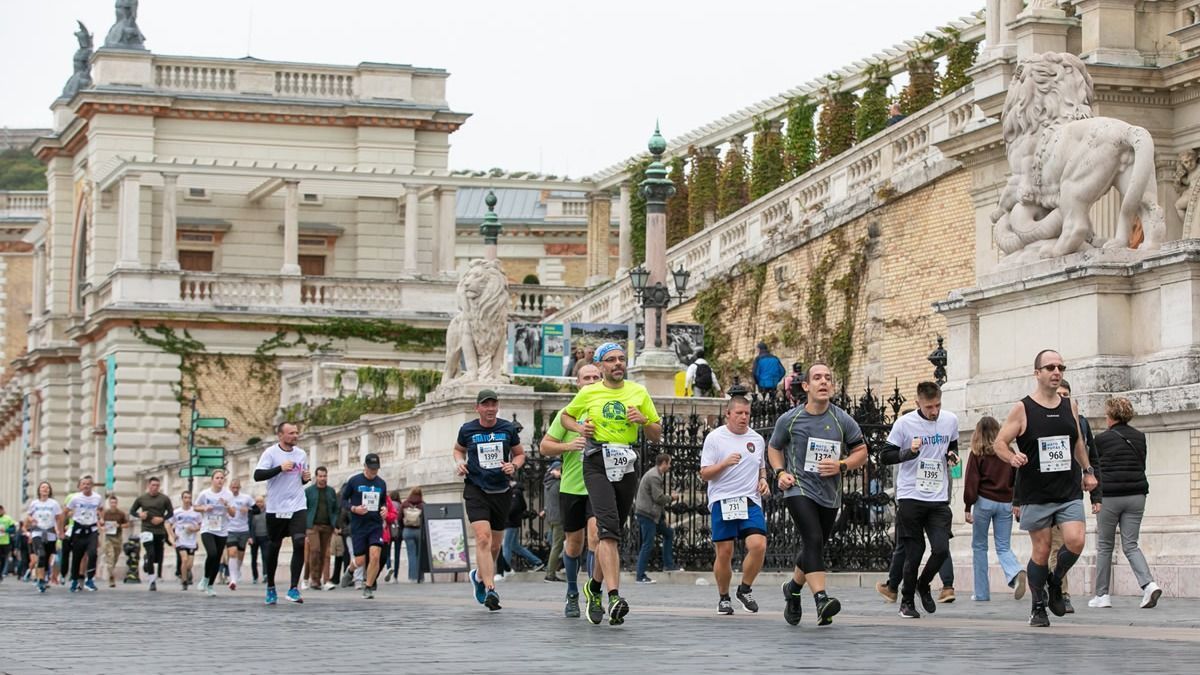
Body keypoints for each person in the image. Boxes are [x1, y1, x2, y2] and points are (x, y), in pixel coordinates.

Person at [992, 349, 1098, 627]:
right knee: (1042, 549)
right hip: (1036, 491)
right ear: (1037, 373)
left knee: (1076, 540)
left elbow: (1077, 442)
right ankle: (1038, 606)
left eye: (1061, 367)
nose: (1056, 372)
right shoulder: (1023, 408)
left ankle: (1054, 580)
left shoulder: (1069, 405)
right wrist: (1012, 457)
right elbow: (999, 443)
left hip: (1067, 490)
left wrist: (1088, 471)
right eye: (1050, 367)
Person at [560, 342, 663, 625]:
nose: (618, 363)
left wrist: (643, 421)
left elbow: (656, 434)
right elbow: (566, 416)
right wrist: (581, 428)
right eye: (612, 360)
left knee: (613, 530)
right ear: (601, 365)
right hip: (596, 461)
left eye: (621, 359)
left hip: (626, 461)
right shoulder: (589, 392)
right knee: (607, 530)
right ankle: (614, 595)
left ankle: (593, 587)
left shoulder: (638, 392)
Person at [768, 362, 868, 627]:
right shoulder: (790, 419)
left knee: (815, 546)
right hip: (798, 488)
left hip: (829, 493)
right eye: (817, 378)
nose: (823, 382)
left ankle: (793, 589)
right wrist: (780, 473)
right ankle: (821, 598)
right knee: (812, 538)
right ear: (806, 386)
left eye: (828, 378)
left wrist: (842, 464)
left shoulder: (841, 419)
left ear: (832, 386)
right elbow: (774, 448)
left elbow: (862, 452)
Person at [878, 382, 959, 619]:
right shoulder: (904, 424)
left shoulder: (950, 420)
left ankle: (924, 584)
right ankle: (907, 601)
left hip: (938, 496)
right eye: (929, 407)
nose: (934, 411)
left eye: (937, 405)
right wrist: (909, 452)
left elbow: (951, 443)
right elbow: (884, 455)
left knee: (941, 549)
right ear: (918, 404)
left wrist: (952, 455)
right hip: (911, 495)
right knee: (915, 551)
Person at [539, 363, 604, 618]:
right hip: (572, 488)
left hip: (598, 487)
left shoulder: (608, 411)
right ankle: (572, 591)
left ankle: (593, 592)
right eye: (585, 377)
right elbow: (545, 446)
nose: (590, 381)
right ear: (577, 383)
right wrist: (569, 447)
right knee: (573, 545)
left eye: (595, 377)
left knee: (596, 537)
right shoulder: (567, 414)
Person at [455, 389, 526, 611]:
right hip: (476, 489)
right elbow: (458, 450)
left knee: (495, 545)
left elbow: (520, 454)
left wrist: (513, 465)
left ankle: (478, 575)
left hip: (501, 491)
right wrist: (459, 462)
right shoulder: (467, 429)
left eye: (493, 405)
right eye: (486, 405)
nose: (490, 409)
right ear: (478, 408)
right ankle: (490, 589)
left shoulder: (507, 429)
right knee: (483, 539)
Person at [1089, 397, 1162, 609]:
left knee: (1105, 546)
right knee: (1131, 544)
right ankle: (1149, 584)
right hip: (1137, 496)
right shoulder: (1140, 437)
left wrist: (1095, 497)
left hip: (1110, 496)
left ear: (1111, 416)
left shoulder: (1101, 439)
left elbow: (1096, 469)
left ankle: (1102, 595)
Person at [700, 395, 770, 615]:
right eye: (739, 413)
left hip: (749, 500)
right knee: (725, 551)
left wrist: (763, 480)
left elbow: (761, 467)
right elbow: (704, 474)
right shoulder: (715, 438)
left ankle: (745, 588)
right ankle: (723, 597)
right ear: (728, 414)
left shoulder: (757, 439)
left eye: (747, 413)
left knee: (758, 545)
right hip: (723, 499)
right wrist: (724, 463)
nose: (743, 417)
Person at [1042, 378, 1102, 613]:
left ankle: (1053, 583)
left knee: (1073, 543)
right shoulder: (1040, 419)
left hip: (1072, 492)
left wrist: (1095, 495)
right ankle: (1061, 592)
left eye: (1066, 395)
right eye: (1059, 394)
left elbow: (1091, 457)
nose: (1062, 398)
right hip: (1046, 493)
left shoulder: (1082, 424)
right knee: (1052, 546)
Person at [962, 416, 1026, 601]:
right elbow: (1017, 479)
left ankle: (981, 593)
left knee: (980, 547)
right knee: (1003, 546)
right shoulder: (1009, 452)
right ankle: (1015, 572)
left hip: (984, 502)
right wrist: (1017, 502)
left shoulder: (977, 452)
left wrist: (967, 506)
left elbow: (971, 482)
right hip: (1006, 502)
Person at [254, 421, 312, 605]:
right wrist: (279, 468)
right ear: (281, 435)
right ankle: (270, 586)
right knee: (274, 546)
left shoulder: (301, 454)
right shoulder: (271, 453)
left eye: (296, 433)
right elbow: (258, 475)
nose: (295, 436)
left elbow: (301, 480)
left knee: (300, 541)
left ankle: (293, 588)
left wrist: (305, 479)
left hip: (297, 505)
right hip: (276, 507)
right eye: (291, 433)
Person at [339, 453, 388, 599]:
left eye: (376, 469)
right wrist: (354, 508)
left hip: (375, 525)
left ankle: (368, 587)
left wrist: (384, 509)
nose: (374, 472)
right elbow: (342, 501)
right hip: (359, 525)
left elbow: (383, 502)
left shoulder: (381, 483)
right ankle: (350, 569)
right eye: (371, 468)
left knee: (375, 556)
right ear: (365, 466)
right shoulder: (354, 481)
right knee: (360, 560)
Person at [635, 454, 681, 583]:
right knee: (647, 544)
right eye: (669, 463)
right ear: (664, 463)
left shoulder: (655, 474)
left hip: (652, 514)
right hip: (647, 514)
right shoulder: (654, 476)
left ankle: (668, 565)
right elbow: (658, 498)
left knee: (668, 533)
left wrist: (663, 516)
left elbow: (657, 500)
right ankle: (640, 575)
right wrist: (672, 498)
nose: (670, 466)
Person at [130, 476, 174, 592]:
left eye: (157, 486)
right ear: (148, 486)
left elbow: (171, 513)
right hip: (146, 529)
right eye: (153, 485)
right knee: (151, 553)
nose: (155, 488)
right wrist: (139, 515)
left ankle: (147, 560)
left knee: (157, 558)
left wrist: (162, 519)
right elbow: (132, 511)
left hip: (159, 530)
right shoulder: (142, 498)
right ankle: (152, 581)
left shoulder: (164, 499)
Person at [64, 475, 104, 592]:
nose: (86, 486)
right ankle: (75, 580)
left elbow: (101, 509)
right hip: (78, 529)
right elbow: (65, 511)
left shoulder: (97, 497)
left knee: (93, 553)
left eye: (88, 484)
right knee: (77, 556)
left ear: (92, 485)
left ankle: (90, 579)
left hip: (92, 529)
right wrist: (65, 525)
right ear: (80, 486)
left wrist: (101, 518)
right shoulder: (76, 498)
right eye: (84, 484)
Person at [304, 466, 340, 591]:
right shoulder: (309, 491)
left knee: (324, 553)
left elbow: (335, 509)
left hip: (327, 526)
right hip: (312, 525)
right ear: (316, 477)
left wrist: (335, 523)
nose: (323, 478)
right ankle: (314, 579)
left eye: (325, 476)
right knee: (315, 550)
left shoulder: (331, 491)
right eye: (320, 476)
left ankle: (319, 580)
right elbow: (304, 508)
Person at [25, 482, 64, 593]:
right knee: (41, 554)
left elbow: (59, 518)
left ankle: (44, 576)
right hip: (37, 532)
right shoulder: (34, 503)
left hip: (50, 533)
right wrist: (31, 519)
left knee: (47, 557)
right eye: (43, 487)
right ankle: (40, 580)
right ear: (39, 490)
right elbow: (28, 515)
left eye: (47, 488)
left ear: (50, 490)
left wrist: (60, 531)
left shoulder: (54, 504)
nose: (45, 489)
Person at [502, 482, 544, 572]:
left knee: (506, 546)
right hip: (513, 523)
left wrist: (505, 515)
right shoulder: (516, 492)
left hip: (510, 523)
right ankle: (537, 562)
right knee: (515, 546)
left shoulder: (515, 492)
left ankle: (505, 569)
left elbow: (514, 508)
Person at [223, 479, 254, 591]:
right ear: (230, 487)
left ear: (240, 488)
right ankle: (233, 580)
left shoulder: (246, 498)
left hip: (243, 530)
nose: (235, 490)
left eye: (237, 488)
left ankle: (236, 573)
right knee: (232, 552)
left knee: (240, 556)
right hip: (230, 529)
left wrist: (248, 510)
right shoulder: (226, 498)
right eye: (233, 487)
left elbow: (257, 509)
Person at [169, 491, 201, 590]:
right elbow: (168, 524)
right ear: (182, 499)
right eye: (185, 498)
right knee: (184, 559)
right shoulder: (176, 512)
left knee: (189, 565)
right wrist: (172, 535)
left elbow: (201, 524)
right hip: (181, 539)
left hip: (191, 540)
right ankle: (184, 581)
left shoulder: (195, 512)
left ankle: (184, 573)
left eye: (189, 498)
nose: (187, 500)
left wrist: (194, 529)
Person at [541, 461, 565, 583]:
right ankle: (550, 574)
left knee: (555, 545)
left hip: (551, 517)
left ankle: (553, 570)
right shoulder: (558, 484)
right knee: (557, 546)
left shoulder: (548, 483)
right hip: (559, 517)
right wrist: (562, 476)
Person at [99, 495, 128, 588]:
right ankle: (111, 576)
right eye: (111, 503)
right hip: (108, 537)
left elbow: (127, 524)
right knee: (110, 556)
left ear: (117, 503)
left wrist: (119, 525)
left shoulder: (121, 513)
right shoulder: (105, 513)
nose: (113, 504)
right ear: (109, 503)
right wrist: (102, 527)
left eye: (115, 502)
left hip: (118, 537)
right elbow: (100, 523)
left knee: (115, 556)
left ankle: (111, 570)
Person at [399, 487, 424, 583]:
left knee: (411, 555)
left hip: (407, 531)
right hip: (419, 531)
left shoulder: (405, 504)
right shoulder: (422, 505)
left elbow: (399, 517)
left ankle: (412, 577)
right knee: (419, 555)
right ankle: (420, 577)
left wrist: (403, 528)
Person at [248, 495, 267, 584]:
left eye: (261, 501)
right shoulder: (252, 511)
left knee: (265, 557)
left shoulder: (268, 511)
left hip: (265, 537)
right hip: (254, 537)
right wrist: (249, 537)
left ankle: (265, 574)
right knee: (254, 558)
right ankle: (255, 576)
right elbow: (248, 524)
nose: (259, 504)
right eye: (257, 502)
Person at [0, 505, 16, 582]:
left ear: (3, 510)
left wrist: (6, 530)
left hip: (5, 542)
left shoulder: (8, 518)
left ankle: (0, 573)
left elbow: (13, 529)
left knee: (3, 559)